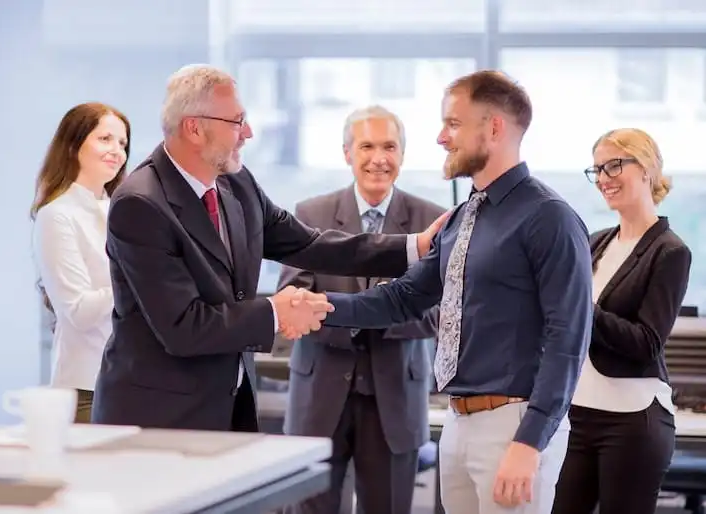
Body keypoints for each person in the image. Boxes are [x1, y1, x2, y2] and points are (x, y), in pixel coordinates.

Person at [90, 65, 446, 432]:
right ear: (195, 128)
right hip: (155, 420)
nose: (248, 133)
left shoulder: (236, 182)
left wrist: (413, 246)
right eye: (237, 121)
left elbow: (308, 243)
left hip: (226, 409)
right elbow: (185, 327)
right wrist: (277, 313)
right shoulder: (141, 204)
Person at [299, 70, 594, 514]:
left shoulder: (549, 217)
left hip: (513, 426)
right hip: (458, 423)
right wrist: (318, 307)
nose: (441, 137)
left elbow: (568, 339)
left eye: (453, 124)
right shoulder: (462, 219)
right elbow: (403, 298)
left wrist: (530, 441)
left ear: (493, 127)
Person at [278, 105, 445, 514]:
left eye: (389, 146)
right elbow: (291, 298)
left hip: (395, 400)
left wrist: (373, 312)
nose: (378, 158)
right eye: (367, 146)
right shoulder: (310, 215)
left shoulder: (431, 221)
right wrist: (367, 310)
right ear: (347, 153)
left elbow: (441, 312)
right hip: (318, 397)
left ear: (403, 156)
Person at [551, 128, 692, 514]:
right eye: (597, 169)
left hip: (632, 422)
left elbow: (647, 342)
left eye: (614, 165)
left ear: (646, 168)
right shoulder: (595, 242)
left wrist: (583, 308)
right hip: (577, 413)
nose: (603, 178)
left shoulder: (670, 251)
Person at [31, 102, 131, 422]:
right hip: (87, 388)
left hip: (136, 383)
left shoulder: (123, 210)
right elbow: (78, 311)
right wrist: (140, 279)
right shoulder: (56, 215)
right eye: (105, 139)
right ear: (74, 144)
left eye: (123, 143)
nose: (117, 150)